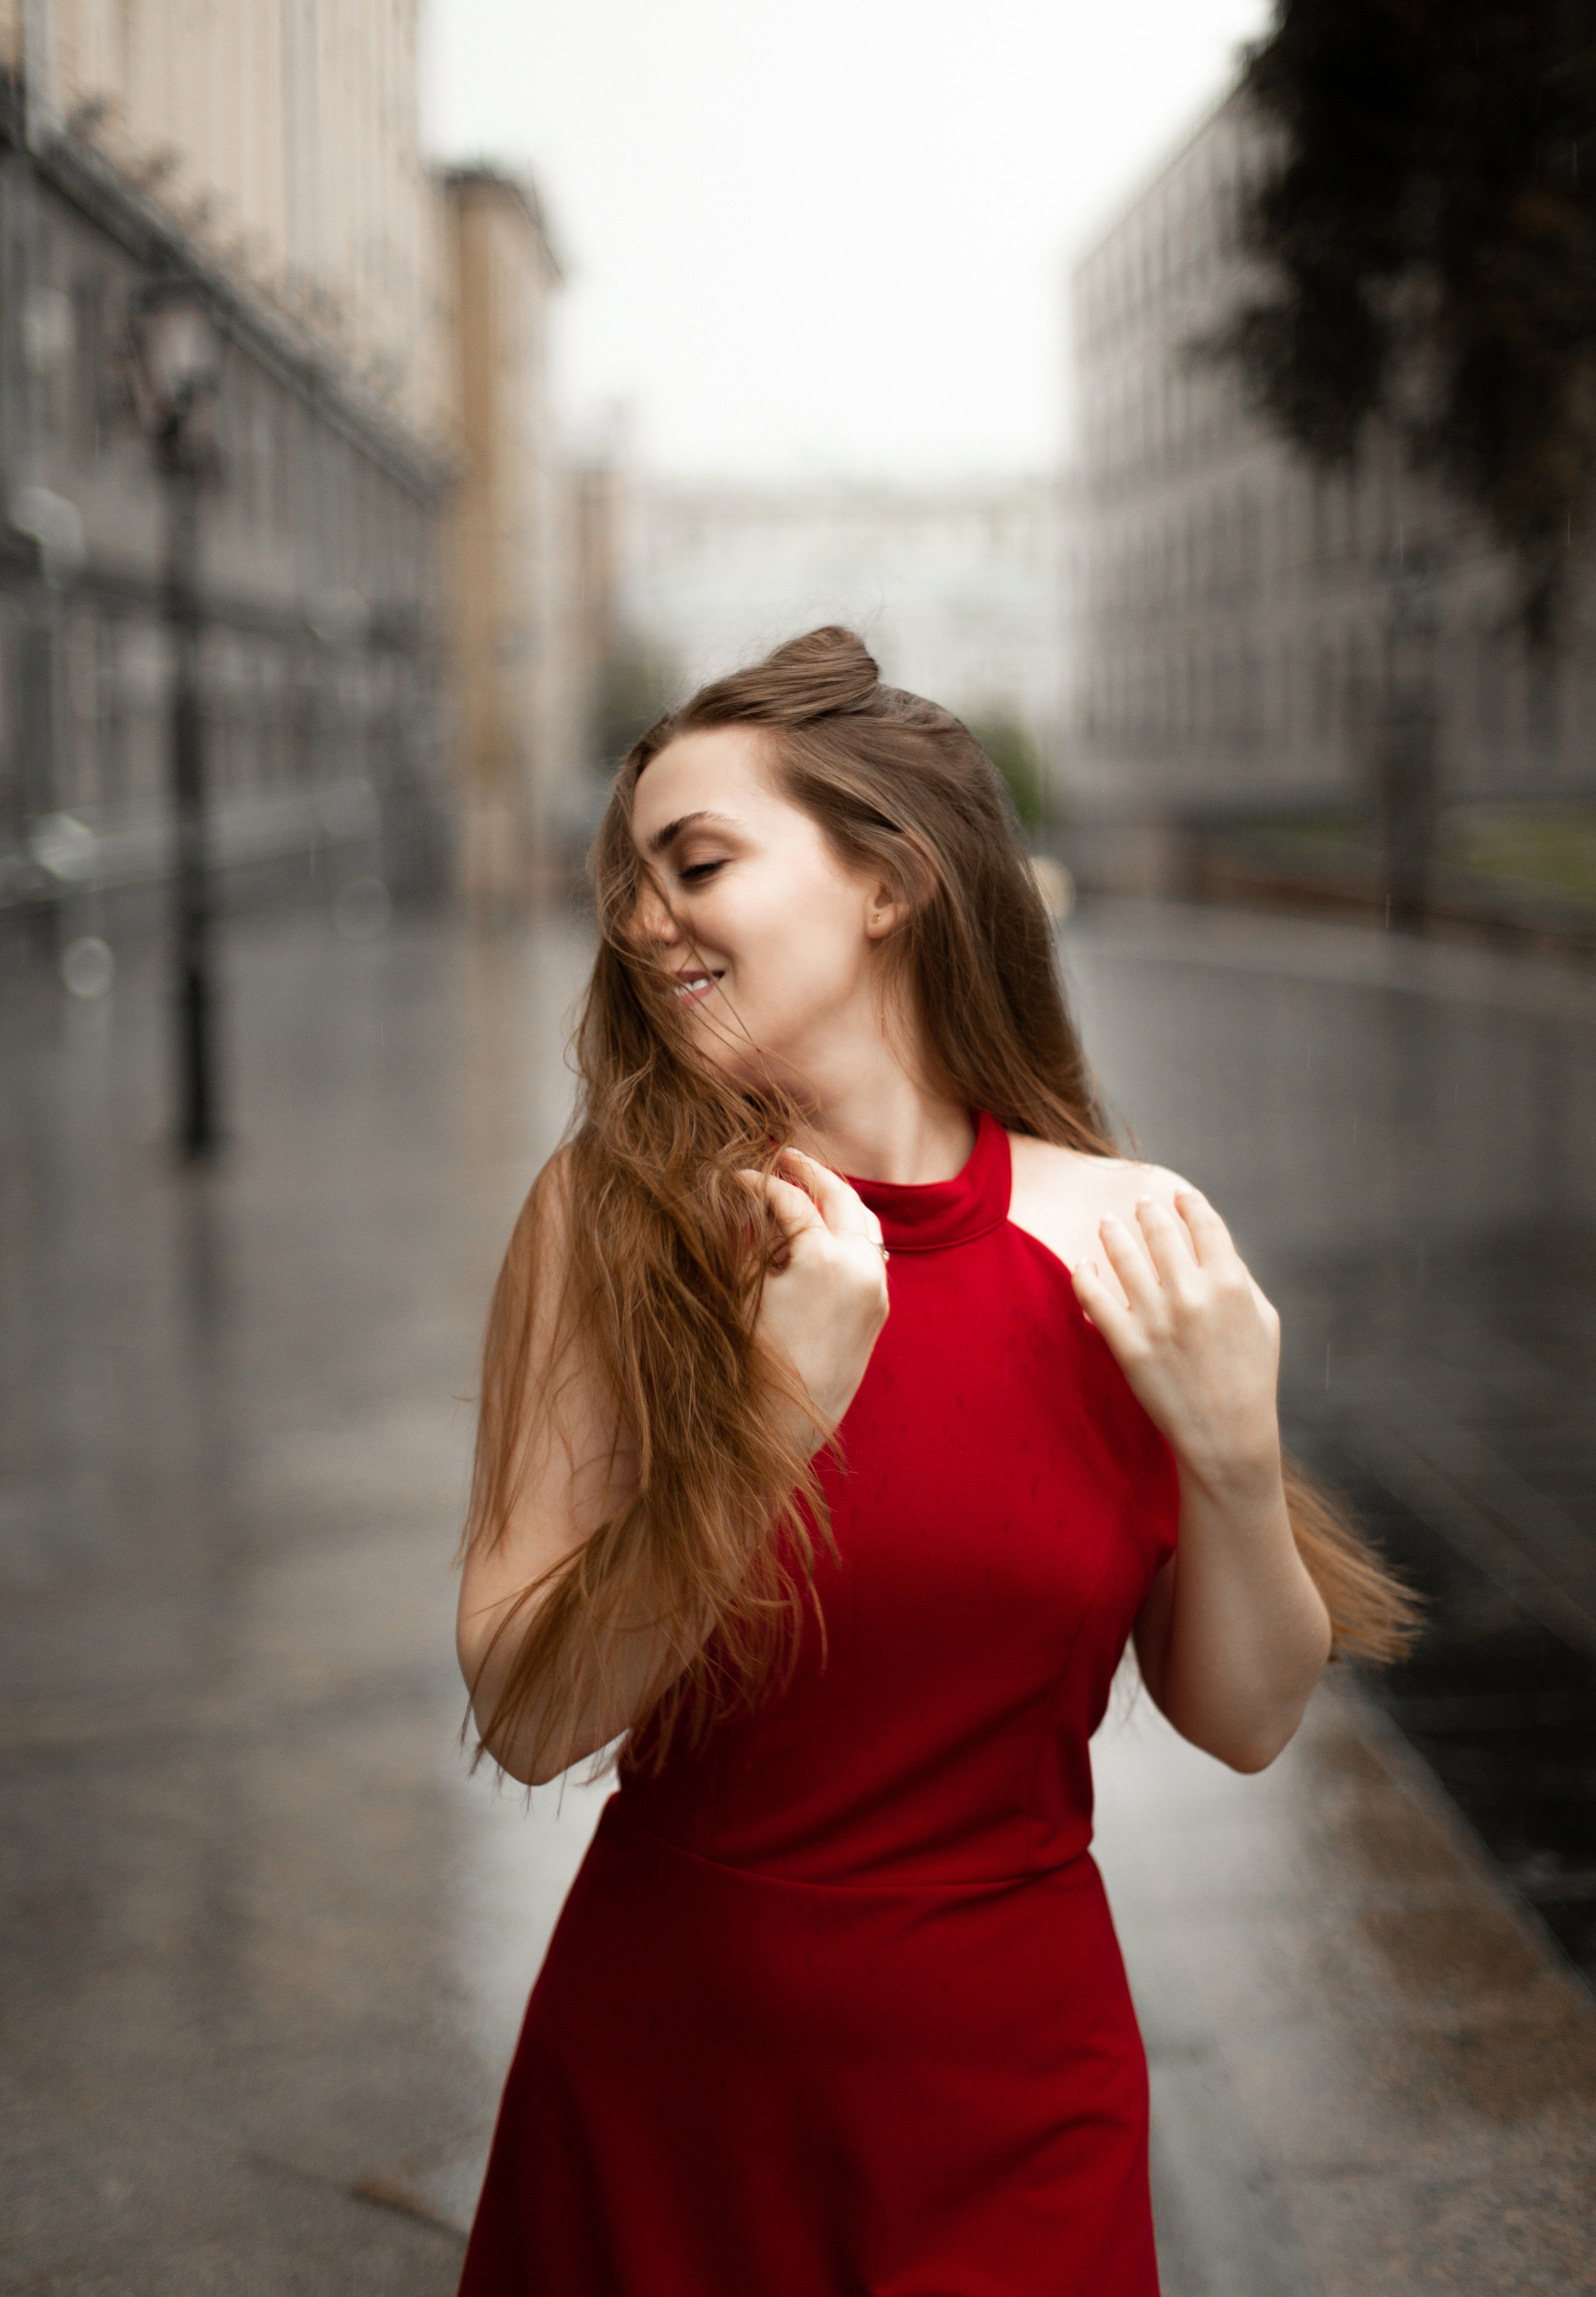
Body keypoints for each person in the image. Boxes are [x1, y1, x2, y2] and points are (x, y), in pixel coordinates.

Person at [454, 627, 1416, 2296]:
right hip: (671, 2082)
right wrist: (772, 1418)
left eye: (696, 864)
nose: (641, 921)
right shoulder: (610, 1218)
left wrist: (1232, 1458)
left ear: (888, 882)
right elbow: (534, 1719)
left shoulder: (1129, 1234)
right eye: (628, 884)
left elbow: (1248, 1718)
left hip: (1018, 2096)